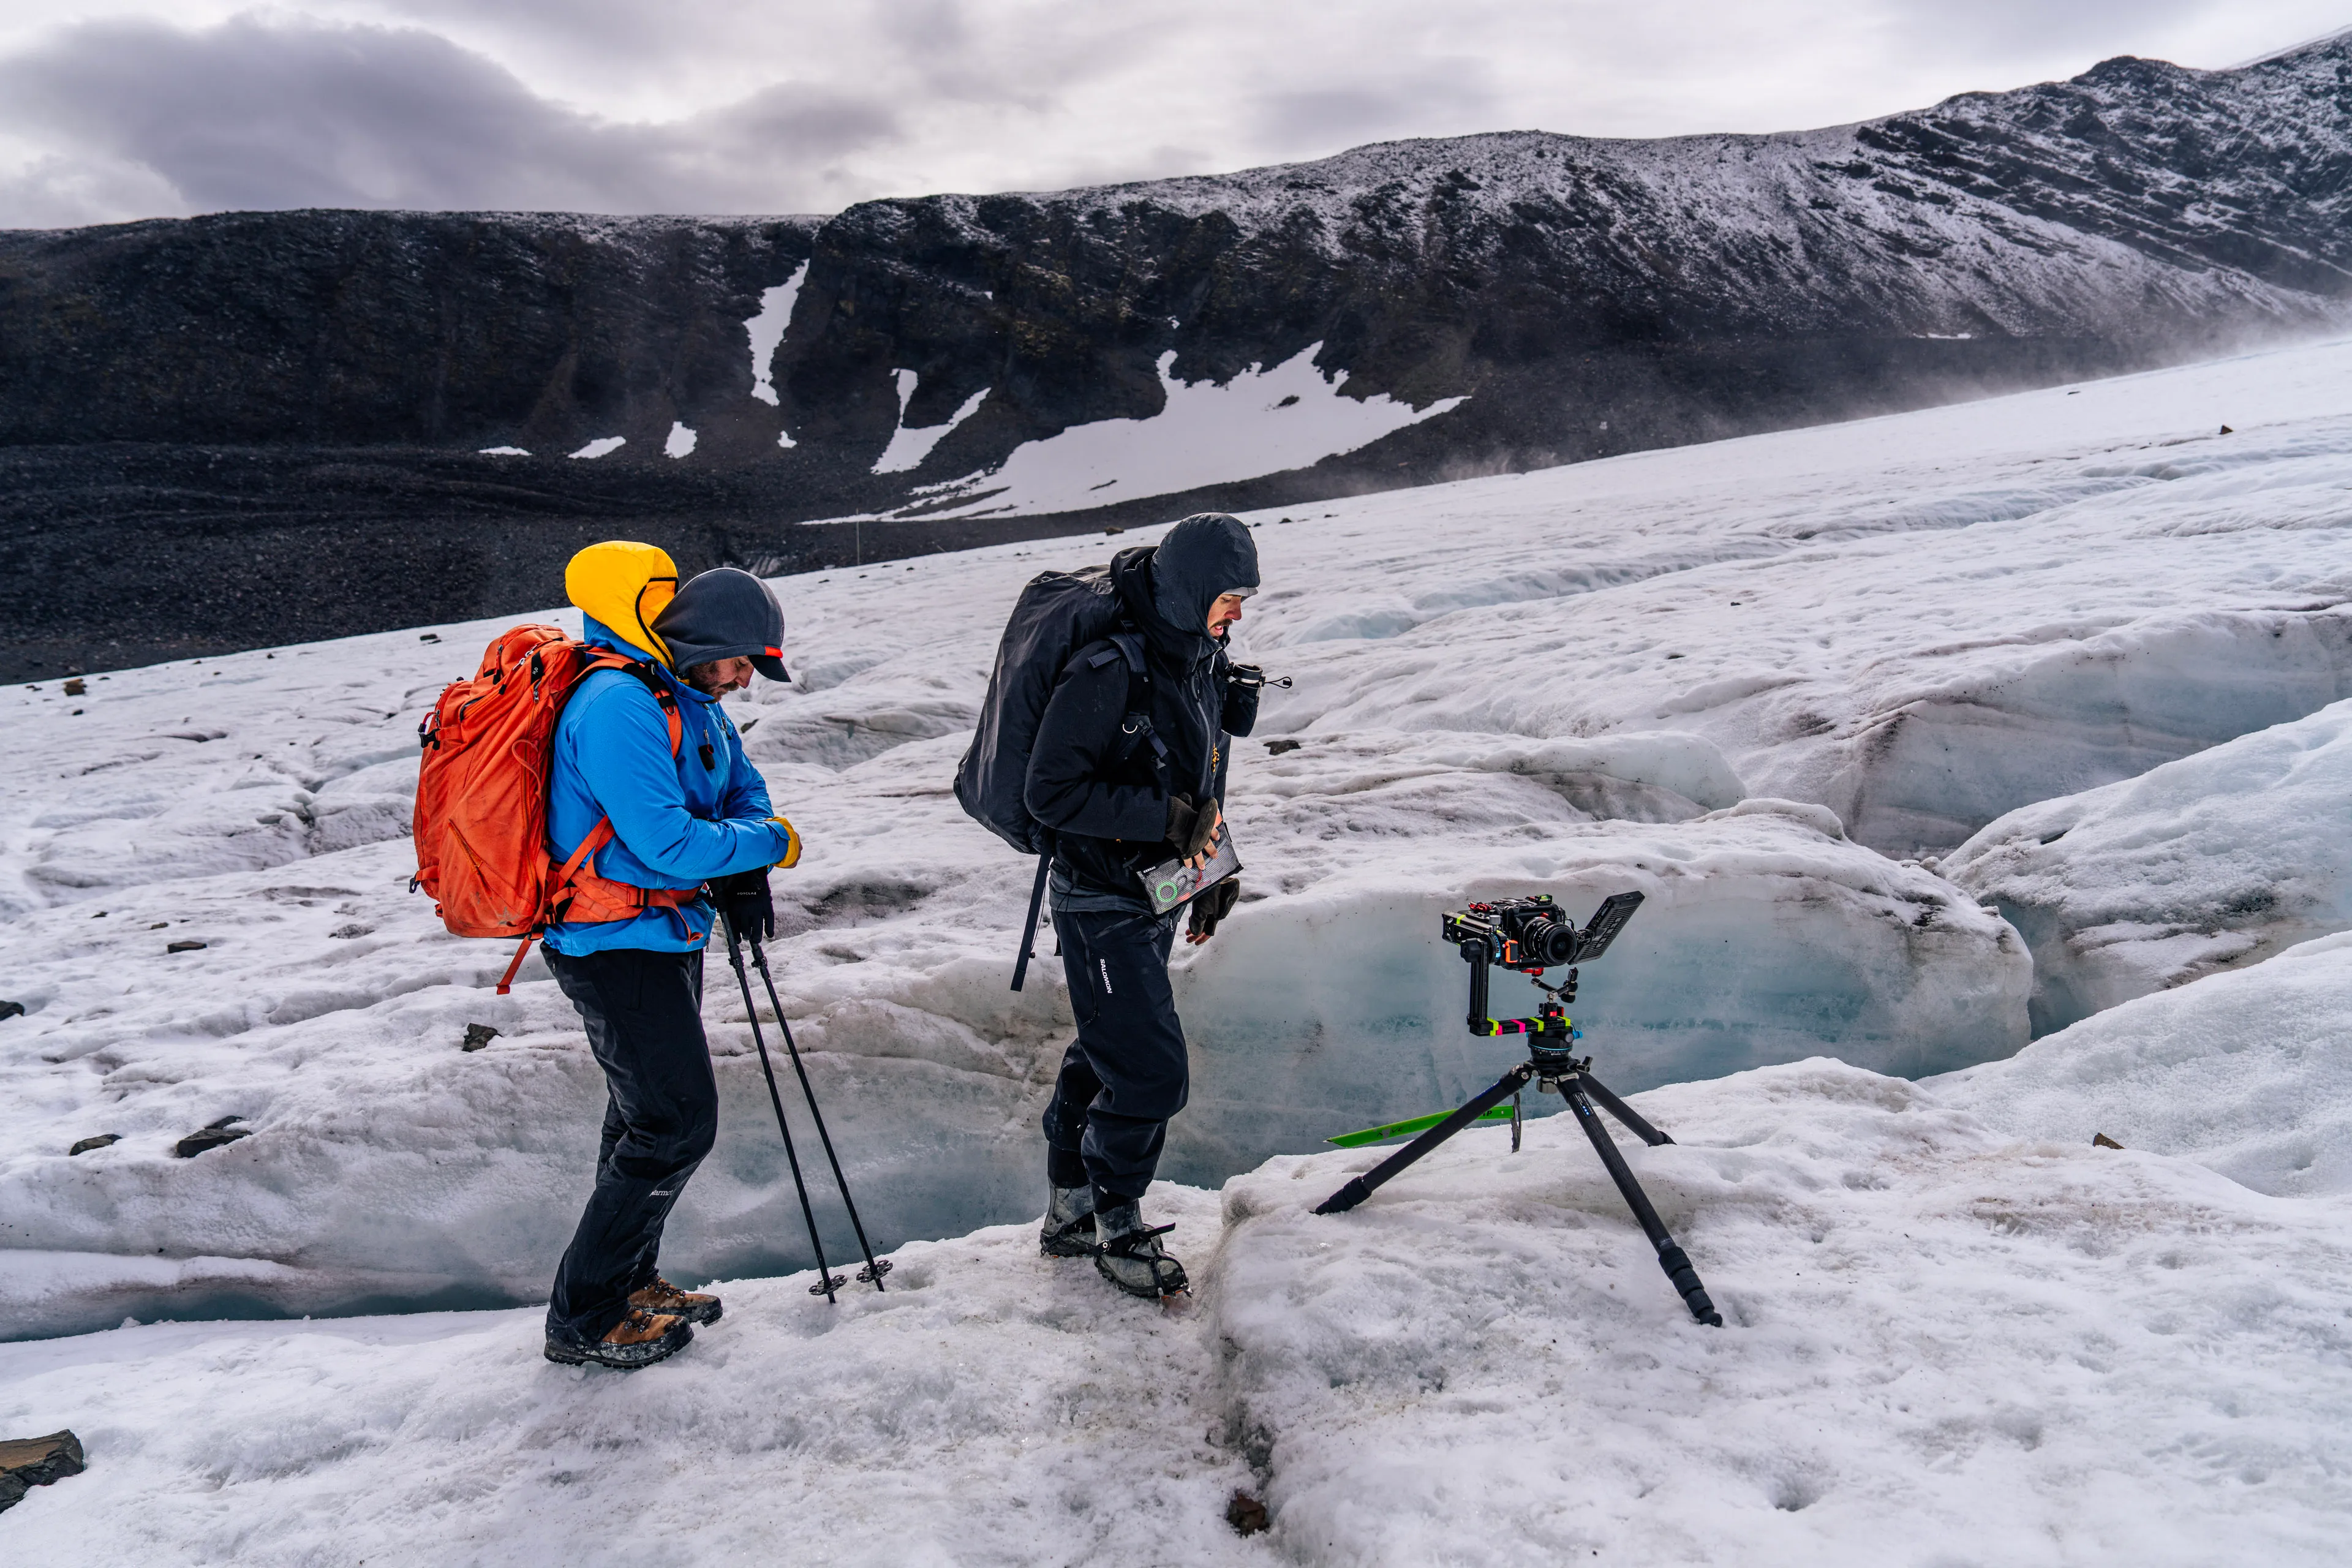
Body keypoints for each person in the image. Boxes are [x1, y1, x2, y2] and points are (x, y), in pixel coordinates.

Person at [538, 546, 802, 1369]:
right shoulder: (617, 703)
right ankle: (583, 1318)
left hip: (663, 932)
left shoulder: (683, 694)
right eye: (740, 661)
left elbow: (741, 790)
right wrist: (769, 846)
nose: (745, 680)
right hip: (610, 944)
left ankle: (627, 1283)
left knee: (641, 1117)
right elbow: (668, 839)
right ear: (699, 647)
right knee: (675, 1123)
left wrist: (745, 856)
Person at [1024, 512, 1262, 1297]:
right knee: (1152, 1075)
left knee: (1105, 1051)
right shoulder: (1109, 667)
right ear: (1192, 589)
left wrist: (1212, 869)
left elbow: (1202, 780)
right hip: (1100, 899)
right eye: (1230, 596)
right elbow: (1051, 793)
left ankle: (1068, 1211)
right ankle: (1116, 1223)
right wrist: (1166, 822)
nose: (1238, 612)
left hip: (1151, 890)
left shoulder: (1196, 657)